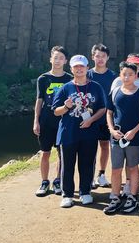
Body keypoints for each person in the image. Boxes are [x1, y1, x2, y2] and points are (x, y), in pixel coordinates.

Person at [52, 55, 106, 208]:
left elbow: (102, 108)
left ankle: (85, 192)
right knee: (67, 165)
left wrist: (91, 119)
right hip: (68, 133)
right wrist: (67, 107)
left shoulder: (96, 87)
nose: (79, 69)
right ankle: (67, 194)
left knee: (87, 163)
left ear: (87, 68)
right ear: (71, 69)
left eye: (82, 66)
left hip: (89, 133)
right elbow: (56, 111)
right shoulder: (65, 88)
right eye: (76, 67)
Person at [104, 62, 139, 214]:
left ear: (136, 76)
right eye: (124, 74)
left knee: (133, 167)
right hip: (117, 137)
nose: (127, 77)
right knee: (116, 168)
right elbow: (109, 112)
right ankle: (115, 197)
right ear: (120, 75)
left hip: (134, 137)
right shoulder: (115, 91)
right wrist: (111, 130)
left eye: (130, 74)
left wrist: (135, 131)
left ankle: (132, 197)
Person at [33, 46, 72, 196]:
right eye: (55, 57)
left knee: (61, 153)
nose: (57, 61)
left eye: (61, 58)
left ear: (65, 61)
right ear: (50, 59)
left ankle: (57, 181)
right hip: (46, 120)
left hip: (63, 121)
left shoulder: (69, 79)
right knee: (45, 152)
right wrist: (36, 121)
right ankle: (44, 182)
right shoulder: (43, 79)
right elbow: (39, 100)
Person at [87, 43, 117, 189]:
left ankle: (101, 174)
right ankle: (90, 176)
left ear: (107, 58)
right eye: (97, 56)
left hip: (106, 118)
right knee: (90, 147)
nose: (100, 59)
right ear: (92, 57)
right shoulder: (87, 75)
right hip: (90, 117)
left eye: (103, 56)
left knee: (105, 145)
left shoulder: (113, 76)